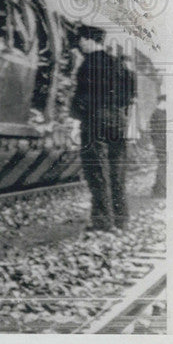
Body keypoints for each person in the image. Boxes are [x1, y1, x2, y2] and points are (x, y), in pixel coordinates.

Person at [71, 26, 136, 231]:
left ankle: (103, 221)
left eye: (81, 40)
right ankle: (121, 219)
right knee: (118, 172)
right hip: (118, 120)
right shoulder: (118, 63)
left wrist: (75, 119)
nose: (79, 44)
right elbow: (131, 91)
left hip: (95, 121)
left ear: (89, 40)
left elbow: (81, 98)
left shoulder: (87, 65)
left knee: (97, 172)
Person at [149, 94, 167, 198]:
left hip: (160, 143)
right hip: (161, 143)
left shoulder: (159, 113)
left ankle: (158, 188)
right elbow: (156, 132)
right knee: (163, 164)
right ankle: (160, 190)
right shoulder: (159, 113)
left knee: (163, 164)